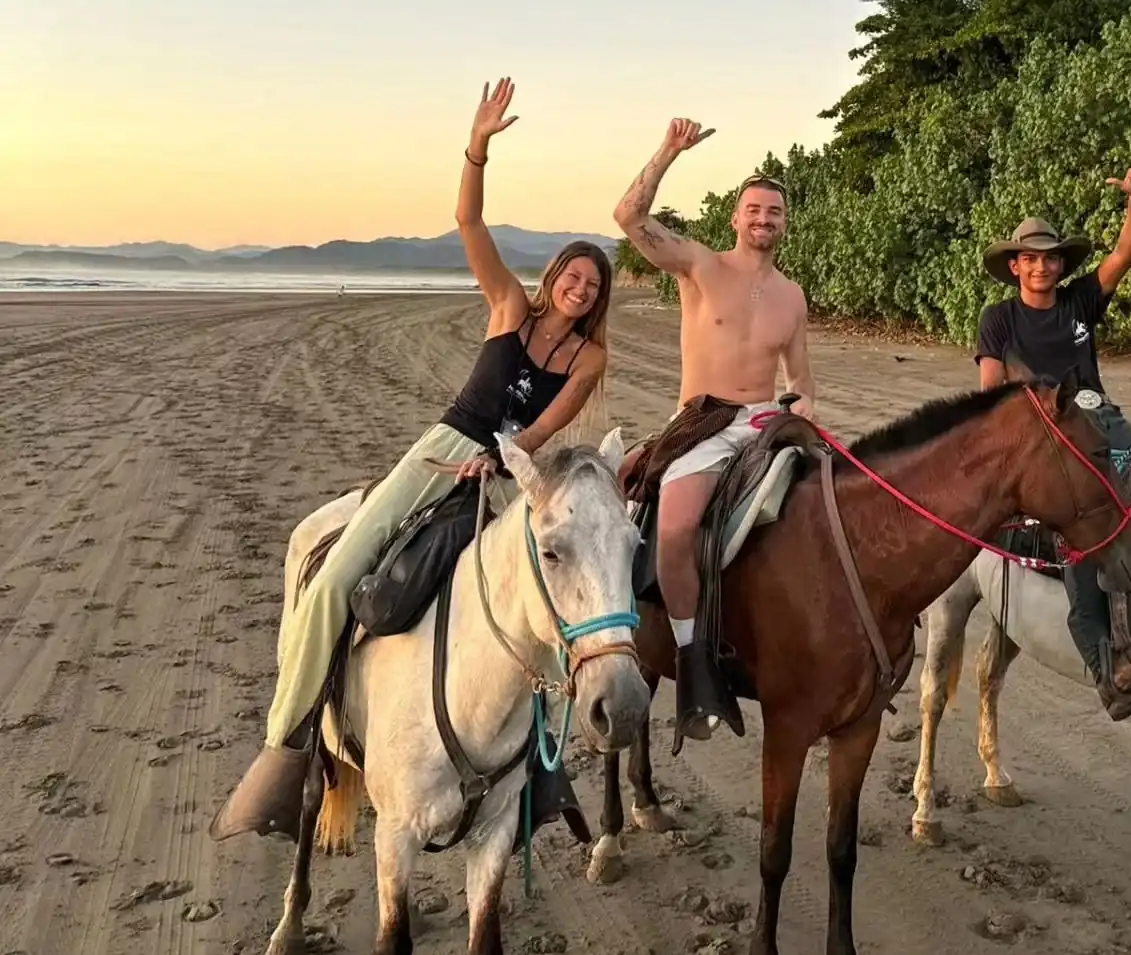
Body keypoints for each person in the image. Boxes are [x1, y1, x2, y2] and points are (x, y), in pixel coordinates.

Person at [212, 78, 612, 841]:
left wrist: (504, 463)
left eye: (591, 285)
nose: (577, 289)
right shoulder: (507, 308)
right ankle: (285, 750)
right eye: (570, 275)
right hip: (442, 452)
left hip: (509, 471)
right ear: (554, 274)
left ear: (598, 299)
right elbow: (467, 218)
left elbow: (544, 428)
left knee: (549, 611)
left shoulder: (588, 359)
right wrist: (478, 147)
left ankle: (542, 776)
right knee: (333, 581)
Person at [614, 120, 816, 744]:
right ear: (736, 218)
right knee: (675, 528)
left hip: (763, 418)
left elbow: (801, 379)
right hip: (702, 418)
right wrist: (669, 151)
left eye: (775, 211)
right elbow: (628, 216)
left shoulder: (792, 295)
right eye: (754, 209)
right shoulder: (699, 264)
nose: (764, 219)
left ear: (785, 223)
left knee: (838, 505)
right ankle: (692, 659)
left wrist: (803, 409)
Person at [976, 160, 1131, 711]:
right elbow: (991, 393)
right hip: (1042, 434)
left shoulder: (1081, 300)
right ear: (1015, 266)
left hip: (1100, 419)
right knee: (1083, 524)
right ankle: (1107, 664)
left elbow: (1126, 253)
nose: (1041, 267)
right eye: (1030, 258)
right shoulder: (1000, 319)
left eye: (1050, 258)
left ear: (1061, 264)